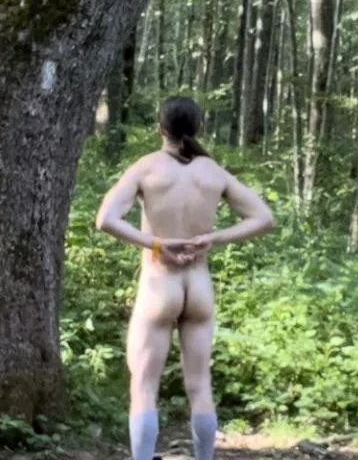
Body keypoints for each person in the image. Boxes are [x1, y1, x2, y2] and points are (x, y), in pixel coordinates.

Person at [94, 95, 275, 460]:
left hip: (159, 283)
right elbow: (264, 218)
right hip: (199, 285)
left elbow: (105, 219)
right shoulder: (214, 172)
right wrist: (214, 237)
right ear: (198, 128)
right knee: (200, 385)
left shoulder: (146, 168)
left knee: (144, 386)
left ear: (160, 127)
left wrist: (156, 243)